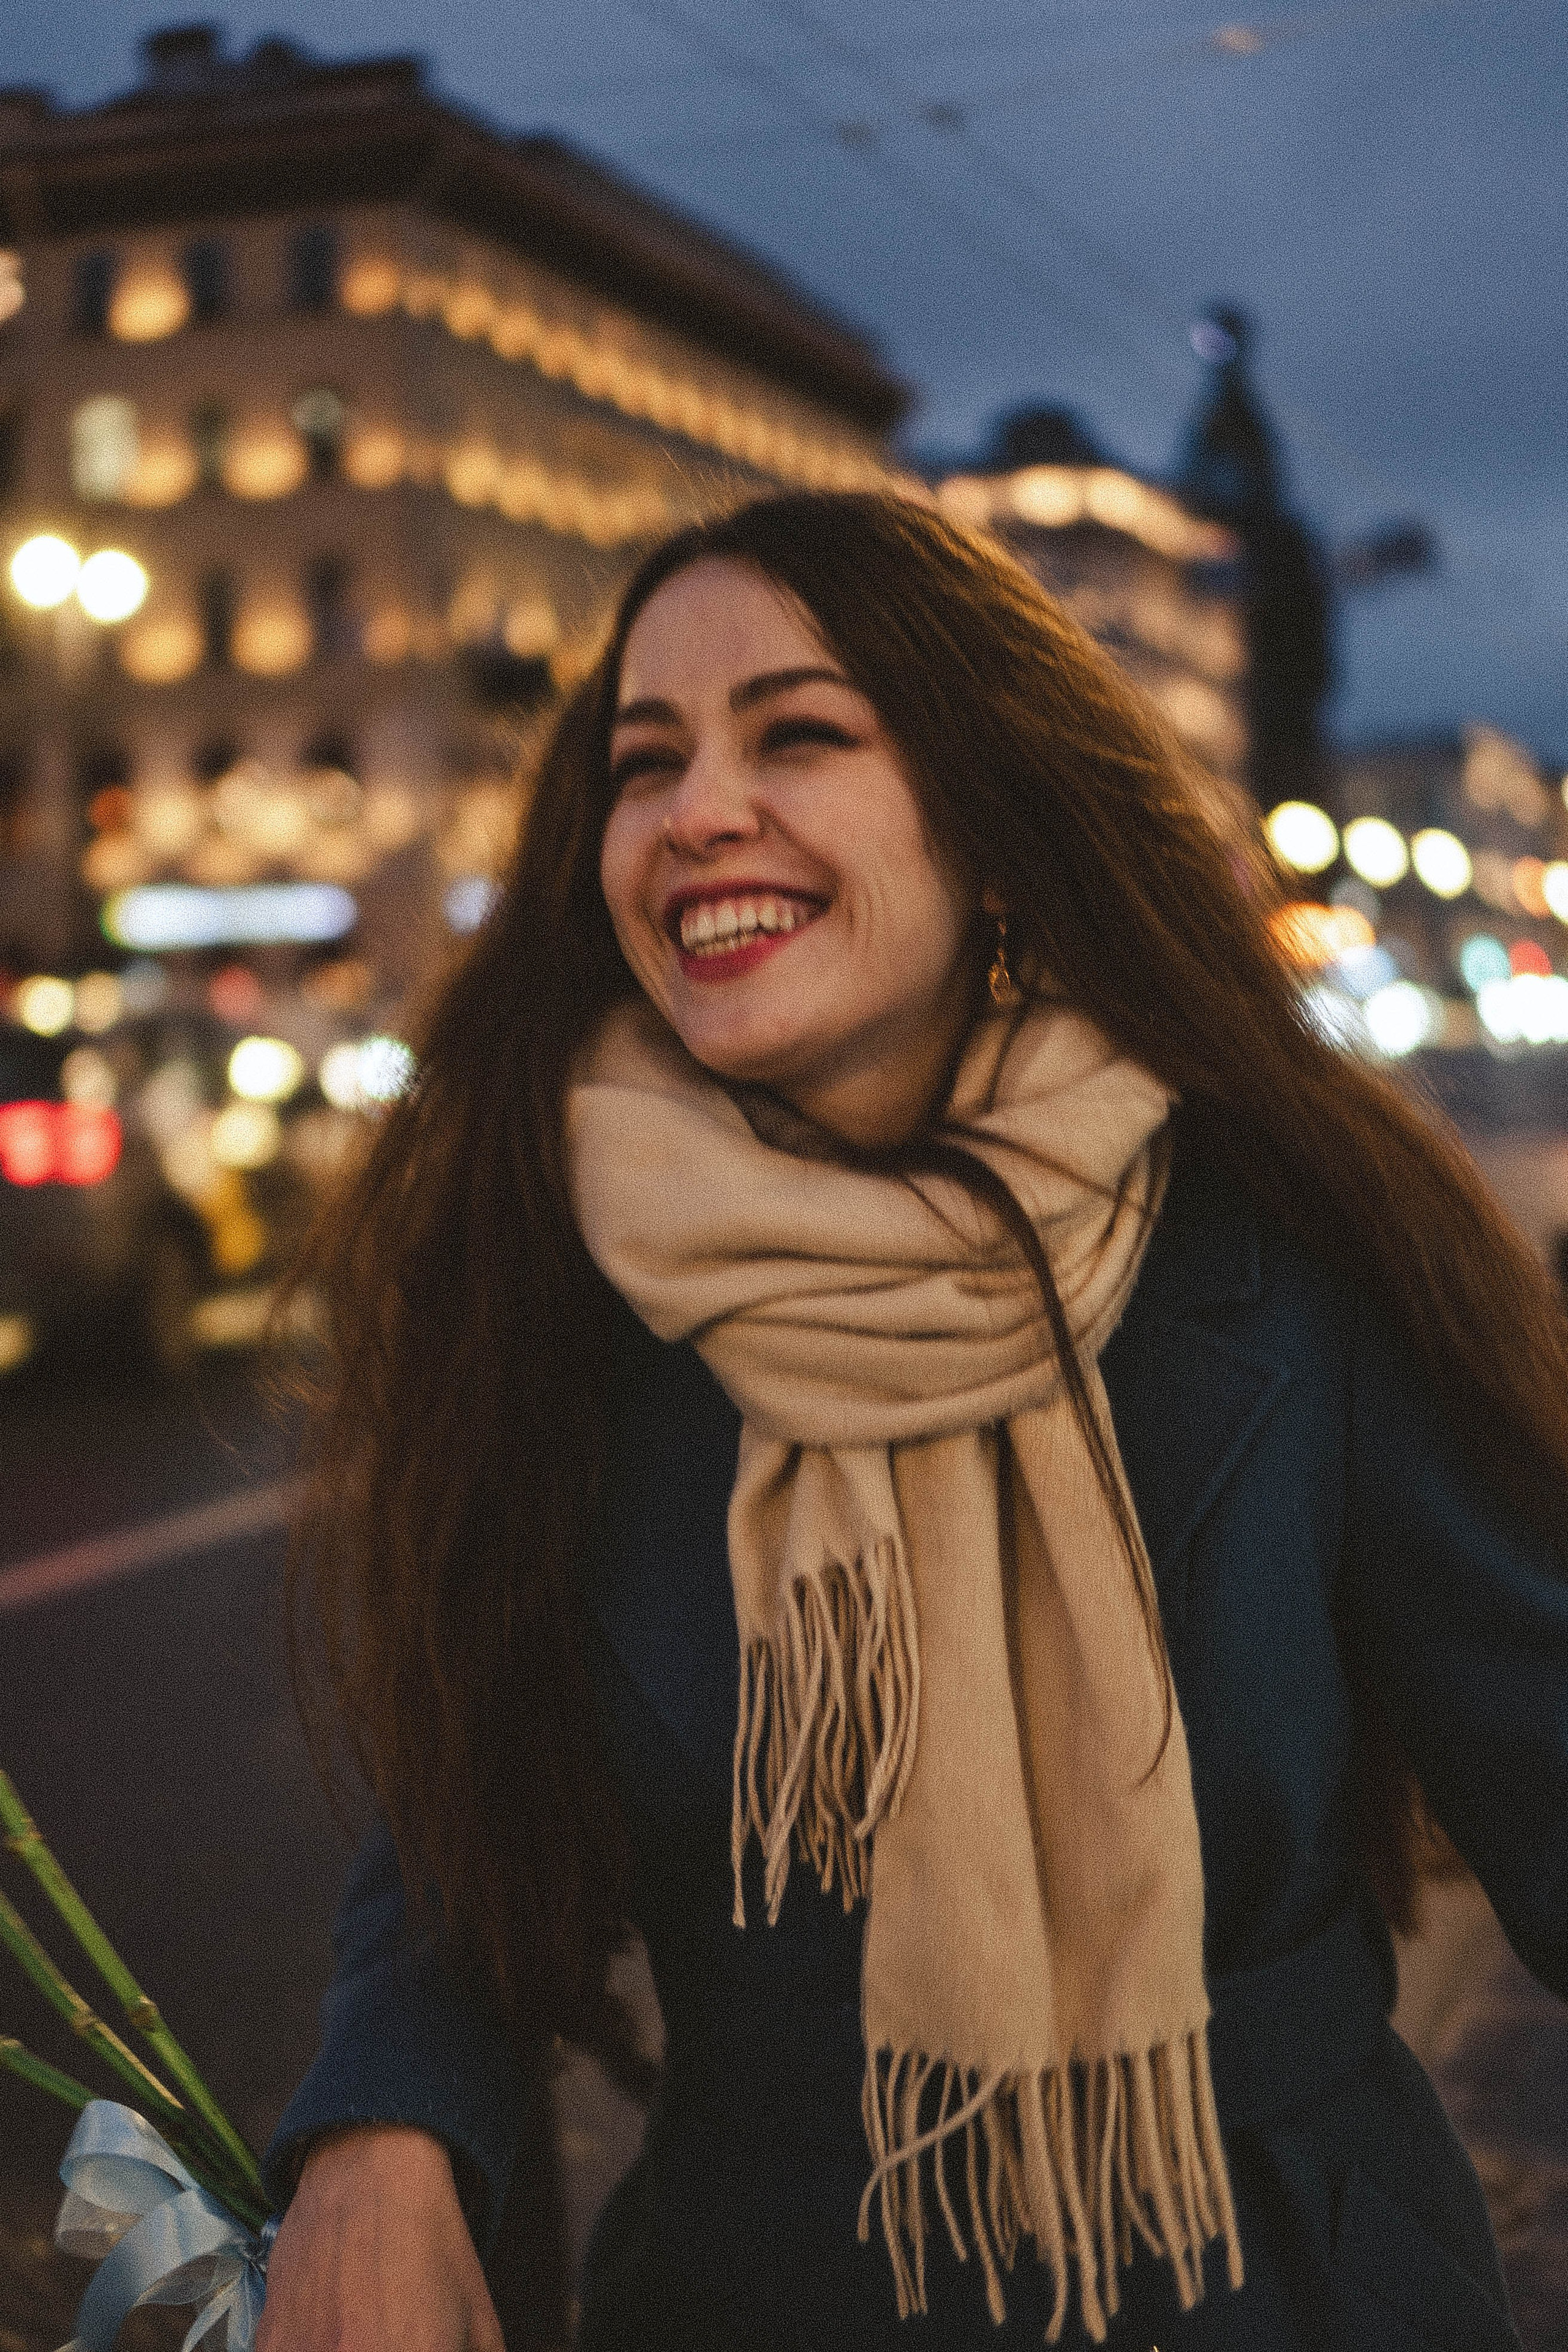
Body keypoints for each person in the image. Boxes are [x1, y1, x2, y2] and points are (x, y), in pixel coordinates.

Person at [255, 491, 1567, 2352]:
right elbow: (475, 1822)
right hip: (756, 2292)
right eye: (649, 764)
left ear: (995, 815)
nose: (701, 809)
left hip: (1282, 2280)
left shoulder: (1299, 1242)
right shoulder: (561, 1284)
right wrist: (379, 2142)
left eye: (799, 735)